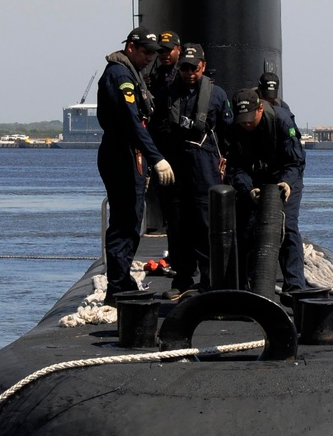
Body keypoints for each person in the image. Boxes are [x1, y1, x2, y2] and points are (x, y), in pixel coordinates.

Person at [96, 29, 175, 302]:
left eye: (153, 54)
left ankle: (121, 279)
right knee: (125, 222)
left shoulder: (131, 74)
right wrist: (158, 158)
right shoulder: (120, 76)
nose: (150, 58)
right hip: (122, 155)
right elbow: (131, 123)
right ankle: (117, 287)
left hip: (129, 155)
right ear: (131, 47)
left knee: (129, 221)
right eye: (145, 52)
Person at [156, 43, 233, 293]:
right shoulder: (168, 93)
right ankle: (183, 278)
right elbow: (158, 129)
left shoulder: (217, 95)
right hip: (176, 163)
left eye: (195, 68)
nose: (190, 72)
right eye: (185, 67)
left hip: (204, 164)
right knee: (178, 223)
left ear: (203, 66)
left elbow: (227, 133)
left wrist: (227, 161)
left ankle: (209, 279)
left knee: (204, 222)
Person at [225, 87, 306, 294]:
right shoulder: (236, 128)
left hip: (285, 177)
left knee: (286, 227)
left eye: (250, 118)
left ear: (260, 108)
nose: (247, 124)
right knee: (247, 228)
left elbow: (295, 161)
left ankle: (294, 287)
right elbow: (235, 167)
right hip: (254, 179)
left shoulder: (282, 121)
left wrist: (286, 183)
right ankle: (246, 284)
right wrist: (248, 188)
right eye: (242, 120)